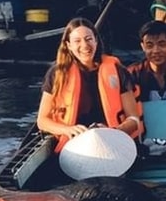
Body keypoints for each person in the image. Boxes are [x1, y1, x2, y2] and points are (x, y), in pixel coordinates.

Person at [36, 18, 143, 152]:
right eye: (77, 41)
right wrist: (68, 129)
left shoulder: (117, 70)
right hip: (73, 144)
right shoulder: (57, 74)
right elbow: (42, 121)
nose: (85, 45)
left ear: (96, 41)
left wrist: (112, 132)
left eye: (88, 39)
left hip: (112, 142)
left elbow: (133, 118)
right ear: (68, 45)